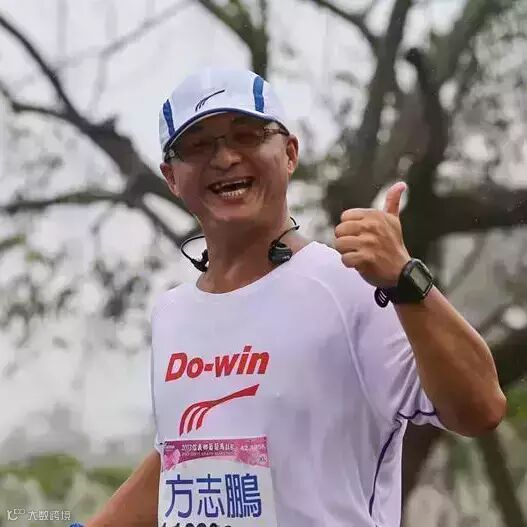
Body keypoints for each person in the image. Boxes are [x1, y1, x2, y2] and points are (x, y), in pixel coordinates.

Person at [83, 68, 506, 527]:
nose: (225, 158)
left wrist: (405, 281)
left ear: (289, 153)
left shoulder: (351, 284)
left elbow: (481, 408)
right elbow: (182, 457)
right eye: (198, 146)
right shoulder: (172, 313)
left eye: (246, 135)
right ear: (171, 177)